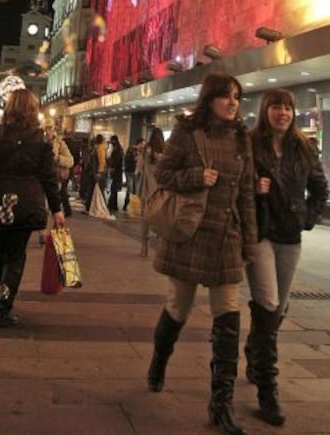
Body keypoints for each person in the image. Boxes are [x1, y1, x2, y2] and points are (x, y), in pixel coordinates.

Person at [147, 73, 257, 435]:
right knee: (178, 306)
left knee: (228, 318)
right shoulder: (188, 131)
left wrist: (249, 244)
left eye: (237, 97)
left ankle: (220, 403)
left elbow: (246, 196)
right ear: (210, 98)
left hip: (226, 238)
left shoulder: (242, 138)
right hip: (191, 233)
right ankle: (160, 358)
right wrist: (196, 176)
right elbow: (163, 174)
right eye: (226, 96)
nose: (232, 103)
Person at [245, 88, 328, 427]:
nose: (283, 112)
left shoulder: (304, 147)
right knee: (267, 302)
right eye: (276, 106)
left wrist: (306, 218)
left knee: (278, 308)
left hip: (290, 236)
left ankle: (254, 350)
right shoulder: (251, 145)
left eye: (288, 107)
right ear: (266, 110)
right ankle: (268, 388)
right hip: (261, 234)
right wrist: (254, 189)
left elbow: (320, 189)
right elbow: (236, 185)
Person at [0, 89, 64, 328]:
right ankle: (5, 308)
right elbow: (49, 177)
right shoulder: (41, 138)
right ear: (33, 111)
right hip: (28, 201)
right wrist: (57, 208)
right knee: (16, 253)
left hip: (3, 198)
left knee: (0, 247)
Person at [137, 127, 165, 256]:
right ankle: (160, 246)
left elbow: (140, 167)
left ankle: (144, 248)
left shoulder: (146, 151)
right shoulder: (165, 152)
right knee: (161, 216)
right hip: (160, 189)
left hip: (147, 187)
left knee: (145, 218)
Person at [48, 127, 74, 218]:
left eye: (50, 128)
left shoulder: (59, 143)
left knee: (60, 193)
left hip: (55, 175)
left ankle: (66, 211)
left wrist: (58, 159)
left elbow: (71, 161)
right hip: (43, 176)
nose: (48, 131)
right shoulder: (38, 140)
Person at [123, 138, 145, 212]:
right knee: (130, 188)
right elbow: (133, 159)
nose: (143, 145)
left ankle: (132, 206)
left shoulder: (140, 151)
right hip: (129, 171)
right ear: (140, 143)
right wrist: (140, 156)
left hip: (135, 172)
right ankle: (126, 205)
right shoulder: (131, 149)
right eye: (143, 144)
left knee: (135, 189)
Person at [107, 134, 124, 211]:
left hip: (117, 171)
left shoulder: (117, 150)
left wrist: (112, 167)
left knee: (113, 188)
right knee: (114, 188)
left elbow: (116, 162)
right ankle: (113, 204)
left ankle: (112, 205)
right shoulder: (119, 149)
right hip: (118, 171)